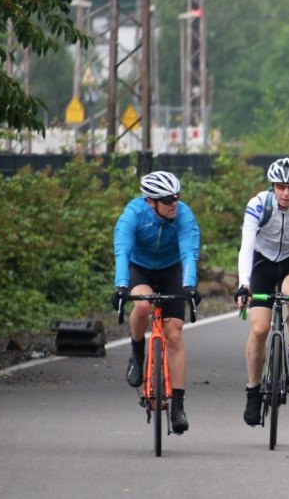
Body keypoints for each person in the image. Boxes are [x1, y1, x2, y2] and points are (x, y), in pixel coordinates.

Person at [235, 157, 289, 426]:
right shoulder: (258, 205)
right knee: (260, 329)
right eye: (280, 186)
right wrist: (244, 283)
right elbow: (246, 248)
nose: (286, 193)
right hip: (263, 261)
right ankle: (252, 390)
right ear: (272, 185)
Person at [112, 170, 201, 435]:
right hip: (140, 269)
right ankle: (137, 352)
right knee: (141, 305)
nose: (174, 203)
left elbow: (189, 252)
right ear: (150, 201)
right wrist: (121, 286)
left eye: (176, 197)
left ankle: (178, 406)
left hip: (172, 270)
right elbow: (122, 250)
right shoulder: (133, 215)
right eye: (166, 200)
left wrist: (189, 286)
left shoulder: (184, 215)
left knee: (174, 335)